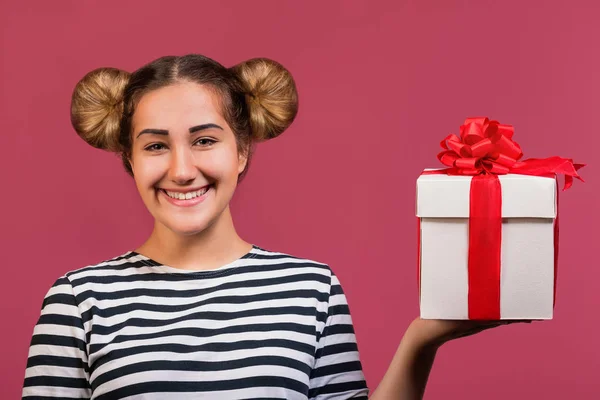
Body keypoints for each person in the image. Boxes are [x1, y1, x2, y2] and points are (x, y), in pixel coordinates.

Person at [22, 54, 522, 399]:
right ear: (130, 161)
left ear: (242, 151)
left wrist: (421, 340)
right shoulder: (78, 298)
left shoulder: (311, 287)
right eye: (155, 145)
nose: (180, 169)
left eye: (204, 140)